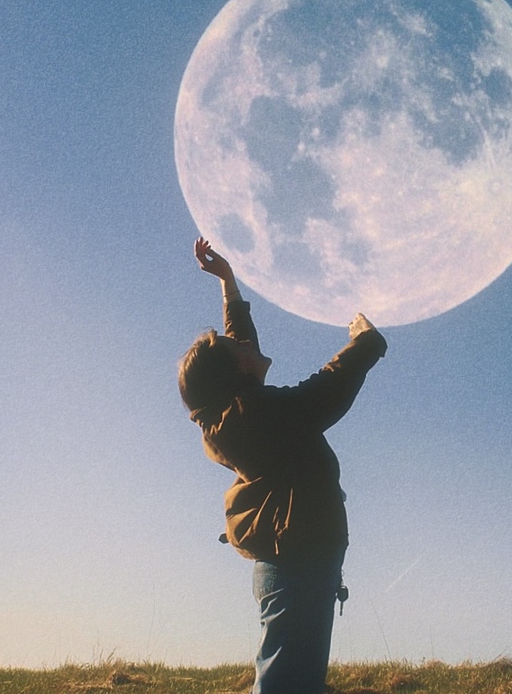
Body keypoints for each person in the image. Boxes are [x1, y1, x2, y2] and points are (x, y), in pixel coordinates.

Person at [178, 237, 387, 694]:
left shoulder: (239, 413)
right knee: (285, 687)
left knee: (295, 682)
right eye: (235, 346)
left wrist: (228, 284)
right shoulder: (254, 416)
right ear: (238, 374)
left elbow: (243, 343)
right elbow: (322, 395)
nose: (243, 341)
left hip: (296, 559)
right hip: (298, 566)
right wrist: (366, 343)